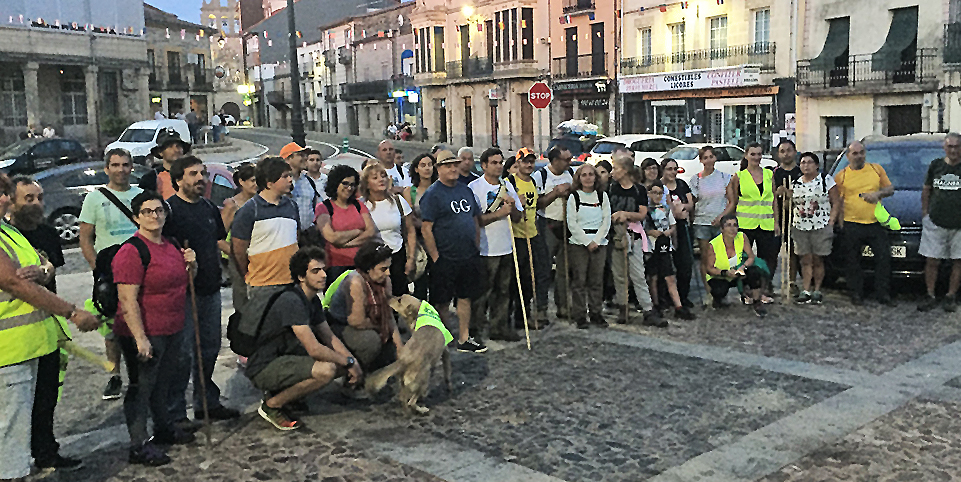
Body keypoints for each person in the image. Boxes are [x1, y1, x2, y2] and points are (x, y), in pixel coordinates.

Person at [0, 173, 100, 481]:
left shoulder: (6, 231)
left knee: (36, 410)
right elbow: (14, 282)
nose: (4, 199)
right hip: (9, 351)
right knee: (10, 434)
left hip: (35, 341)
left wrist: (43, 271)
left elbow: (43, 265)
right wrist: (72, 312)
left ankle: (43, 454)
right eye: (2, 194)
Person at [113, 191, 197, 466]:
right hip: (144, 331)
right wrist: (140, 338)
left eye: (159, 210)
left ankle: (163, 428)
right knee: (142, 387)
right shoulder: (131, 251)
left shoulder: (171, 244)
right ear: (136, 217)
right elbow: (127, 299)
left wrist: (191, 264)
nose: (154, 216)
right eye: (147, 211)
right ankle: (138, 444)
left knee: (163, 383)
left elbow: (185, 281)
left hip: (172, 327)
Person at [245, 246, 361, 431]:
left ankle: (291, 395)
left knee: (340, 361)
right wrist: (347, 361)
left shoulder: (312, 299)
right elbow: (314, 348)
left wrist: (352, 362)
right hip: (264, 366)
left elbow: (328, 336)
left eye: (323, 269)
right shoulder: (291, 301)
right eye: (315, 271)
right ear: (301, 277)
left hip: (286, 357)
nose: (323, 275)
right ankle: (272, 404)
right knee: (327, 369)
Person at [163, 156, 240, 427]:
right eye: (193, 174)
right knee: (182, 353)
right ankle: (175, 412)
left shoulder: (208, 207)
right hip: (183, 293)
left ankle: (207, 401)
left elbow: (218, 240)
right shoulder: (169, 211)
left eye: (202, 173)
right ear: (178, 179)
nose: (201, 179)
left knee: (209, 349)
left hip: (209, 288)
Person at [8, 176, 78, 472]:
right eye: (29, 199)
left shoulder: (48, 234)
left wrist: (44, 270)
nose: (37, 204)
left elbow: (50, 272)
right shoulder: (7, 234)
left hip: (46, 326)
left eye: (40, 197)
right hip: (15, 338)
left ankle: (46, 450)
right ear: (12, 201)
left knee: (48, 395)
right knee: (17, 408)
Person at [78, 148, 143, 401]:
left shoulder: (140, 196)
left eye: (125, 164)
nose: (121, 169)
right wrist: (97, 269)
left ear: (131, 168)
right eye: (115, 165)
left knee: (138, 318)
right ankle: (114, 374)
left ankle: (141, 371)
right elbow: (85, 238)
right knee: (112, 326)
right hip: (109, 270)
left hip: (139, 266)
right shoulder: (94, 199)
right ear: (107, 168)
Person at [419, 150, 487, 353]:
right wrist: (436, 257)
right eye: (448, 165)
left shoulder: (465, 190)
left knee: (465, 297)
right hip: (445, 256)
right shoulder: (432, 194)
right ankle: (444, 337)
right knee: (442, 300)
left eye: (455, 164)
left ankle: (464, 337)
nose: (453, 168)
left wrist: (475, 245)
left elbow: (475, 218)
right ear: (438, 169)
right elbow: (426, 228)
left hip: (467, 254)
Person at [231, 157, 302, 349]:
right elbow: (238, 249)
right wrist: (248, 273)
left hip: (290, 282)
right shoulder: (249, 211)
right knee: (262, 335)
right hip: (263, 284)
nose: (290, 180)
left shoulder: (291, 206)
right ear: (269, 183)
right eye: (285, 176)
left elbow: (296, 239)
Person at [469, 148, 523, 341]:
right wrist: (499, 214)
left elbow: (518, 217)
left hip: (506, 246)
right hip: (485, 248)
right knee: (482, 292)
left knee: (503, 291)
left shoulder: (507, 186)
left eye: (501, 162)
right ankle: (475, 328)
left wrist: (512, 207)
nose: (499, 166)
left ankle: (498, 327)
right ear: (483, 165)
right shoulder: (475, 188)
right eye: (494, 162)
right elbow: (476, 220)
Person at [325, 241, 403, 374]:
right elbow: (357, 321)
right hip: (341, 326)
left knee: (394, 351)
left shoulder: (385, 281)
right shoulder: (355, 282)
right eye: (383, 269)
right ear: (369, 268)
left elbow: (388, 315)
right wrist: (381, 328)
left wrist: (400, 346)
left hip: (370, 324)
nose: (388, 273)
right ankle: (351, 377)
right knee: (371, 341)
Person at [834, 140, 895, 306]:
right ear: (848, 156)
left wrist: (878, 194)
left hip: (875, 222)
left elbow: (890, 189)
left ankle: (882, 293)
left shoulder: (876, 169)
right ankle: (856, 293)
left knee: (883, 258)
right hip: (851, 223)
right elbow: (837, 201)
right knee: (852, 261)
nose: (859, 156)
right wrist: (839, 223)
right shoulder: (842, 176)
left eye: (861, 152)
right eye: (854, 153)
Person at [607, 149, 662, 326]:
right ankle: (623, 309)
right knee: (619, 274)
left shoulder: (638, 190)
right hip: (616, 236)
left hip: (633, 236)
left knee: (638, 274)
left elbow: (642, 214)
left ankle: (647, 309)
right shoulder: (611, 188)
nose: (612, 172)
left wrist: (625, 214)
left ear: (625, 171)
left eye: (615, 169)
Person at [721, 143, 778, 303]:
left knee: (767, 259)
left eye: (759, 154)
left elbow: (773, 200)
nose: (757, 158)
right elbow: (733, 201)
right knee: (743, 258)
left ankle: (763, 290)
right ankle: (745, 291)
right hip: (745, 224)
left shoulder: (768, 174)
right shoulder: (739, 176)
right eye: (753, 154)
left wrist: (777, 222)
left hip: (766, 223)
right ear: (746, 155)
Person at [507, 148, 551, 328]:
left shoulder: (533, 181)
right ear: (517, 163)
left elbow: (537, 205)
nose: (529, 164)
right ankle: (511, 317)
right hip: (516, 237)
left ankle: (524, 315)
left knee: (531, 278)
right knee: (515, 280)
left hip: (532, 234)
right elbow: (510, 213)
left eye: (532, 161)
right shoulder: (510, 183)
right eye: (525, 161)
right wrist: (518, 205)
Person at [918, 133, 961, 312]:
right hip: (935, 222)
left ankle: (951, 296)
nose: (953, 150)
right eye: (950, 146)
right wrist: (925, 214)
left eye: (956, 147)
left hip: (959, 225)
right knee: (932, 261)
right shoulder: (935, 165)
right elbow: (926, 191)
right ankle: (930, 294)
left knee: (958, 262)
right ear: (944, 147)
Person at [789, 152, 839, 304]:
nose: (806, 165)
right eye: (803, 162)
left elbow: (836, 201)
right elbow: (791, 205)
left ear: (816, 165)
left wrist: (831, 221)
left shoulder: (825, 180)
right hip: (800, 226)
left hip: (821, 225)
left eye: (809, 162)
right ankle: (805, 289)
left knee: (818, 259)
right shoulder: (796, 183)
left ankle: (817, 289)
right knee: (805, 259)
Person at [566, 163, 611, 329]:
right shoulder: (574, 197)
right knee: (579, 280)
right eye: (583, 175)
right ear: (578, 178)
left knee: (596, 280)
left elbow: (606, 220)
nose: (587, 178)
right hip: (579, 244)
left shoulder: (602, 196)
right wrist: (586, 241)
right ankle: (579, 314)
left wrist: (597, 241)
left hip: (599, 243)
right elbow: (572, 222)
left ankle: (596, 312)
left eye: (591, 174)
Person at [360, 163, 416, 296]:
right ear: (367, 184)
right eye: (375, 177)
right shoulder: (361, 205)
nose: (381, 180)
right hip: (372, 260)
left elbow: (410, 230)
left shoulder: (398, 201)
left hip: (397, 256)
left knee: (398, 297)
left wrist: (411, 258)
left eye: (383, 176)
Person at [645, 181, 696, 320]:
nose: (657, 195)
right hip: (651, 246)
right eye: (654, 192)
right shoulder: (646, 210)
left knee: (670, 276)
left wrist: (670, 234)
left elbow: (673, 226)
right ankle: (655, 304)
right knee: (653, 277)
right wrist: (651, 232)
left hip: (665, 246)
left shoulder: (666, 209)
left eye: (660, 193)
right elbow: (644, 227)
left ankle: (678, 306)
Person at [533, 146, 574, 319]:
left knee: (564, 269)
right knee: (544, 269)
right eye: (566, 159)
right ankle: (541, 308)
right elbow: (538, 203)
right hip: (547, 224)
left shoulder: (570, 173)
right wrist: (556, 193)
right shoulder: (541, 175)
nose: (569, 162)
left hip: (567, 224)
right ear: (555, 160)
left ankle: (563, 306)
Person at [316, 165, 376, 282]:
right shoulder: (323, 208)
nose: (349, 188)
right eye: (345, 183)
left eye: (353, 185)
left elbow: (370, 232)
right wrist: (357, 232)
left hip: (361, 264)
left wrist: (344, 244)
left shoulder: (359, 205)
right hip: (336, 266)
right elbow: (331, 237)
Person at [704, 214, 771, 316]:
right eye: (728, 225)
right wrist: (725, 273)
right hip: (721, 275)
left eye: (735, 225)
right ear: (722, 229)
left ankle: (757, 301)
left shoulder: (742, 237)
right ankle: (718, 300)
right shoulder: (713, 244)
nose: (732, 229)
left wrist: (743, 267)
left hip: (739, 272)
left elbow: (751, 257)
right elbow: (709, 268)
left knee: (754, 272)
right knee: (719, 289)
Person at [689, 146, 733, 299]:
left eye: (711, 157)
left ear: (715, 158)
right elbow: (692, 202)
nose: (709, 160)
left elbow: (731, 201)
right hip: (702, 222)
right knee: (705, 257)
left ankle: (721, 290)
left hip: (720, 221)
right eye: (705, 157)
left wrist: (723, 217)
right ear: (701, 160)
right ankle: (708, 291)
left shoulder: (724, 177)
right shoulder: (696, 179)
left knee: (722, 257)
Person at [221, 163, 257, 315]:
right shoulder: (232, 205)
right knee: (242, 297)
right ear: (241, 182)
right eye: (252, 180)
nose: (256, 184)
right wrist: (236, 253)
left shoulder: (261, 202)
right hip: (237, 258)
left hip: (259, 256)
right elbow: (219, 236)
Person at [660, 158, 694, 308]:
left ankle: (683, 295)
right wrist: (674, 210)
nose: (673, 172)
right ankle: (666, 297)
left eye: (675, 169)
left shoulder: (682, 184)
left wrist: (683, 208)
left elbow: (691, 203)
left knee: (685, 262)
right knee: (666, 264)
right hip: (664, 227)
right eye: (669, 169)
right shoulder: (659, 186)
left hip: (682, 226)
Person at [403, 153, 436, 300]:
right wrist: (428, 225)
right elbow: (410, 219)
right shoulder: (410, 192)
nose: (427, 168)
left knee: (438, 285)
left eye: (430, 165)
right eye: (423, 165)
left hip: (438, 242)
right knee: (420, 285)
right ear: (416, 169)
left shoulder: (440, 189)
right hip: (420, 244)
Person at [773, 139, 802, 292]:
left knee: (793, 251)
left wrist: (792, 195)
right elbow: (771, 195)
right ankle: (768, 283)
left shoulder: (800, 172)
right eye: (782, 151)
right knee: (773, 251)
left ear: (795, 152)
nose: (786, 154)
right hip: (778, 217)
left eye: (788, 150)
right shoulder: (775, 173)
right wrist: (778, 193)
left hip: (796, 217)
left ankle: (792, 282)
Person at [280, 142, 321, 238]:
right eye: (300, 155)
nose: (305, 158)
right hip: (287, 235)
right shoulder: (279, 183)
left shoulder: (309, 181)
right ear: (288, 159)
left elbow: (316, 205)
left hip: (309, 235)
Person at [140, 127, 190, 199]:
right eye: (170, 147)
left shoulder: (191, 174)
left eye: (178, 146)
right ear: (160, 152)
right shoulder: (151, 178)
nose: (176, 150)